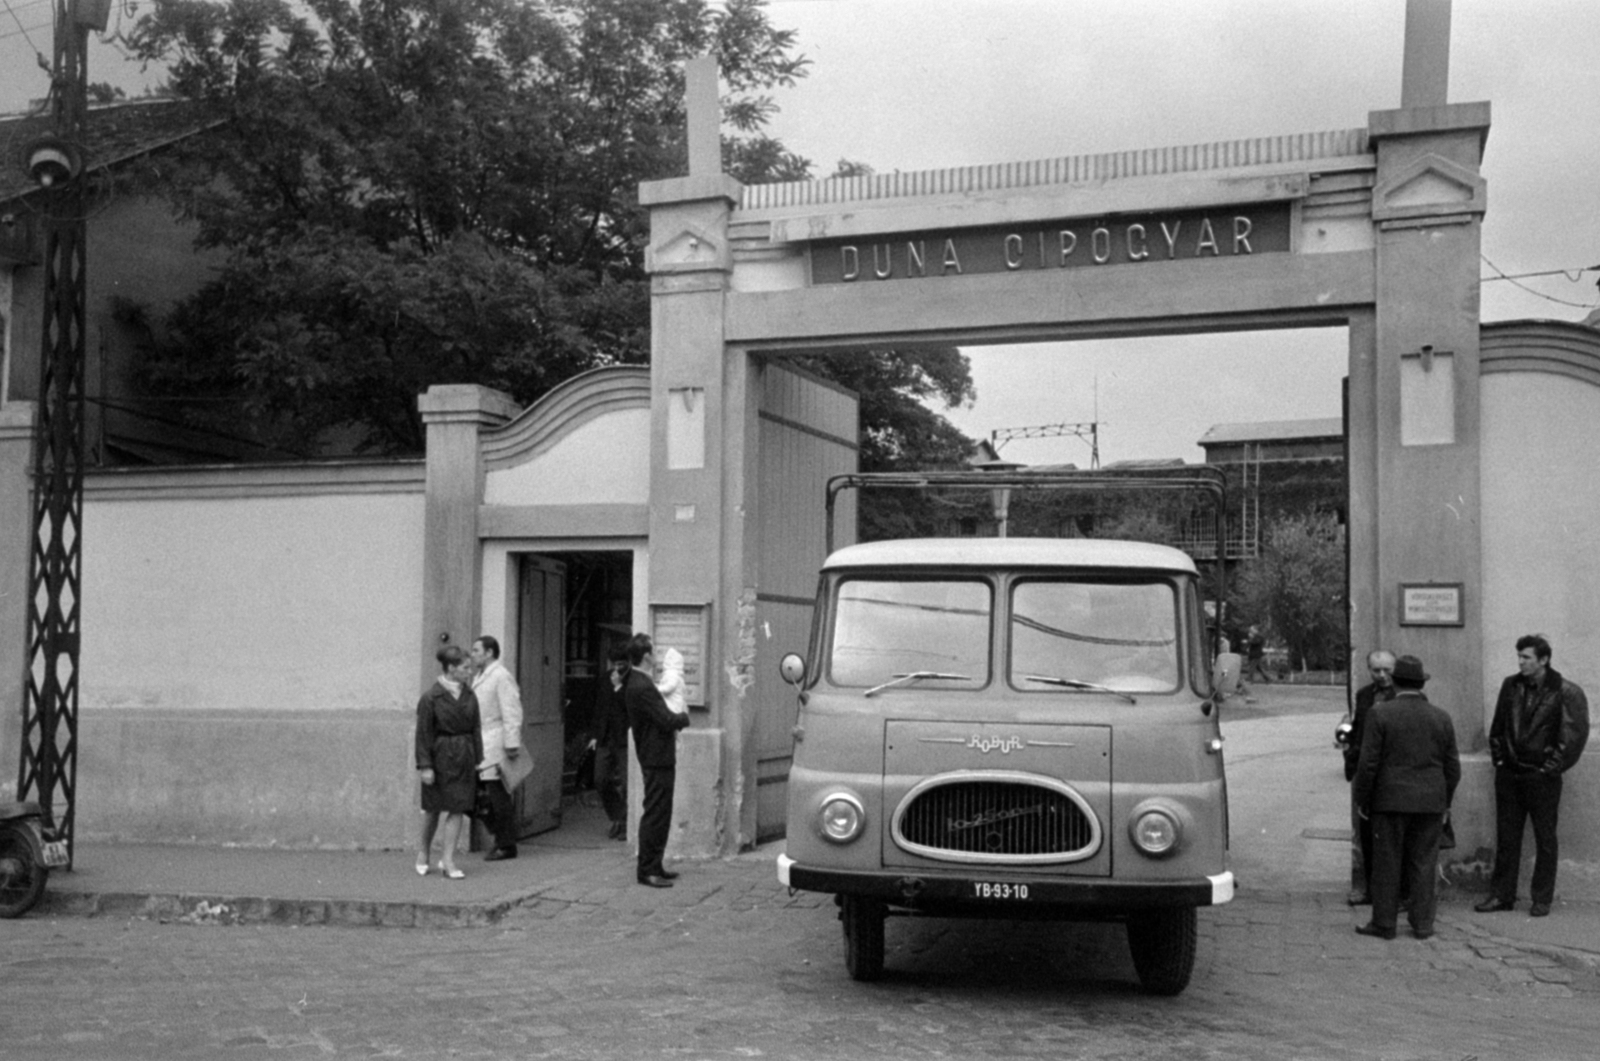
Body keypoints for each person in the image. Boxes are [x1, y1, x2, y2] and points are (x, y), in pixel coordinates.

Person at [1476, 635, 1590, 918]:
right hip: (1510, 774)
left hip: (1542, 777)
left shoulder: (1566, 692)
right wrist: (1500, 760)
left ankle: (1542, 898)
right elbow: (1498, 727)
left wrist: (1548, 769)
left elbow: (1573, 737)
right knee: (1507, 837)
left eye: (1526, 657)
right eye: (1519, 657)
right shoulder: (1511, 685)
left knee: (1545, 838)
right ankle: (1502, 895)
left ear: (1544, 660)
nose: (1521, 662)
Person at [1351, 654, 1460, 941]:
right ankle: (1423, 924)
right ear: (1421, 684)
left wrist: (1363, 799)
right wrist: (1445, 801)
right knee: (1424, 863)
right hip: (1430, 803)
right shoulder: (1441, 717)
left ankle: (1384, 923)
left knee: (1387, 863)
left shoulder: (1380, 713)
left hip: (1389, 802)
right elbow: (1452, 767)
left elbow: (1368, 763)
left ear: (1396, 682)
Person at [623, 633, 690, 887]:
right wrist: (683, 717)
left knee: (660, 812)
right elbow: (665, 719)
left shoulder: (640, 681)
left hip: (655, 755)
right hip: (656, 756)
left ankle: (655, 865)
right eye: (653, 650)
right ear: (647, 655)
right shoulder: (641, 685)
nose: (656, 654)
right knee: (656, 814)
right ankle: (648, 869)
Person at [415, 644, 483, 880]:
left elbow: (476, 727)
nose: (470, 671)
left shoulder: (469, 694)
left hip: (464, 755)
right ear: (451, 668)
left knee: (458, 808)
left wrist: (478, 759)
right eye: (465, 667)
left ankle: (448, 860)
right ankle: (423, 852)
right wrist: (425, 766)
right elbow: (423, 734)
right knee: (433, 809)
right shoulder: (430, 698)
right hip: (440, 755)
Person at [1342, 650, 1398, 906]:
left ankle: (1395, 894)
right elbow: (1358, 728)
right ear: (1369, 670)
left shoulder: (1403, 695)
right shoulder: (1364, 695)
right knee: (1367, 836)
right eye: (1377, 670)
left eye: (1387, 669)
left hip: (1392, 775)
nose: (1383, 675)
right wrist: (1350, 756)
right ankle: (1371, 891)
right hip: (1367, 773)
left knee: (1392, 838)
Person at [469, 634, 525, 862]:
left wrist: (512, 743)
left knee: (497, 795)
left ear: (489, 652)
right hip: (482, 741)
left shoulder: (501, 676)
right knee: (475, 796)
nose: (472, 655)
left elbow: (512, 710)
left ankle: (506, 844)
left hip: (496, 741)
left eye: (476, 650)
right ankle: (500, 835)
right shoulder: (480, 676)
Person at [592, 648, 631, 841]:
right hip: (605, 737)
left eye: (621, 664)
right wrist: (594, 735)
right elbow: (599, 706)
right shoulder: (605, 678)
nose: (617, 668)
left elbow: (628, 707)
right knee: (600, 779)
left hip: (624, 739)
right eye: (614, 664)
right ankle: (617, 816)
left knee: (627, 783)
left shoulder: (632, 680)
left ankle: (625, 824)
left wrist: (618, 687)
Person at [656, 647, 689, 716]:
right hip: (673, 704)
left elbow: (669, 687)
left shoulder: (672, 675)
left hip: (673, 706)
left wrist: (656, 688)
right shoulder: (674, 675)